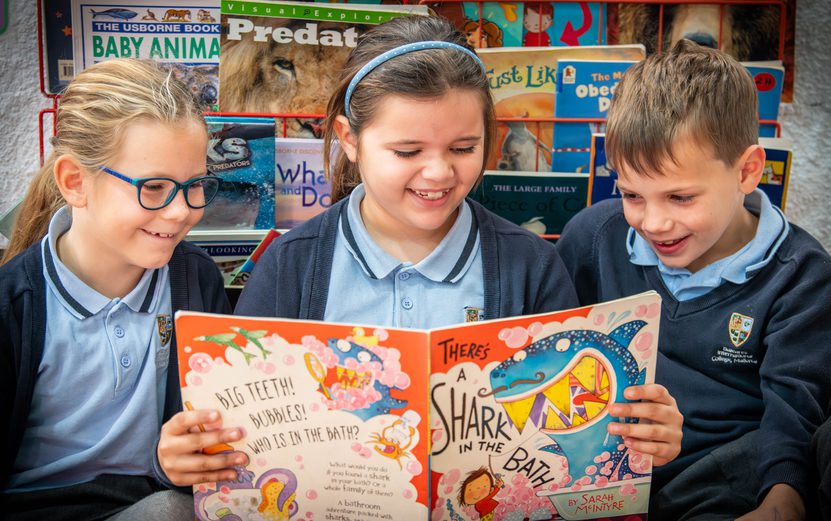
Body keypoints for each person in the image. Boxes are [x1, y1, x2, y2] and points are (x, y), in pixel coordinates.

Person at [235, 13, 682, 478]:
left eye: (463, 148)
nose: (439, 173)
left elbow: (567, 428)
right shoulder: (291, 266)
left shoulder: (531, 266)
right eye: (408, 152)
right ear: (349, 139)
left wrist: (636, 434)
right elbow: (244, 429)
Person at [556, 39, 831, 520]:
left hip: (730, 473)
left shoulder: (805, 276)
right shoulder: (593, 237)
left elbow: (793, 410)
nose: (653, 223)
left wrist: (782, 497)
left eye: (680, 197)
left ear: (748, 171)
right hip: (603, 465)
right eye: (631, 194)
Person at [0, 59, 234, 520]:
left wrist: (180, 461)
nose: (179, 212)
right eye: (153, 187)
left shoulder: (197, 279)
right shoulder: (14, 306)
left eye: (195, 186)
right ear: (75, 182)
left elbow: (197, 444)